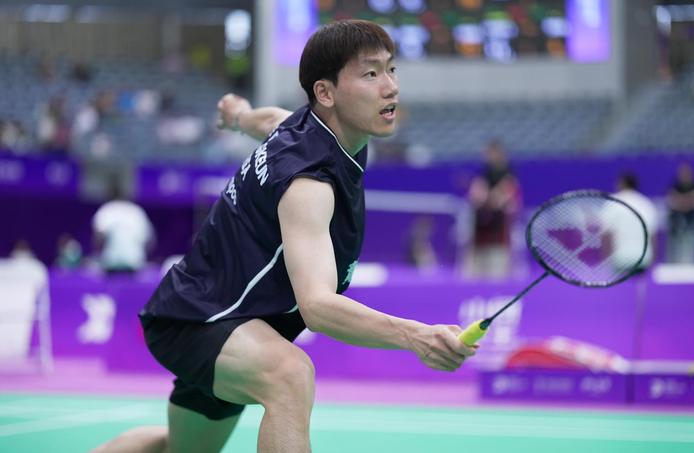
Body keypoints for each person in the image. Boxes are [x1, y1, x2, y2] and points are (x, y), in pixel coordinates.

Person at [92, 20, 476, 453]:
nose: (390, 87)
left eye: (391, 69)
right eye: (370, 74)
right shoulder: (308, 185)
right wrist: (415, 336)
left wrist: (239, 116)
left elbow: (271, 119)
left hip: (223, 316)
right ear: (325, 93)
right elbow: (318, 307)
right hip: (202, 321)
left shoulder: (310, 127)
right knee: (289, 376)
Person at [464, 140, 521, 280]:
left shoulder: (509, 175)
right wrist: (480, 196)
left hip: (499, 238)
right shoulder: (482, 173)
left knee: (497, 278)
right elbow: (474, 197)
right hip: (479, 237)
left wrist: (492, 197)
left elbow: (503, 200)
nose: (486, 156)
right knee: (474, 277)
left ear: (498, 154)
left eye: (489, 153)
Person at [92, 181, 155, 274]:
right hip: (135, 263)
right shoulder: (137, 211)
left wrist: (98, 256)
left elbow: (99, 237)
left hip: (110, 263)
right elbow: (150, 241)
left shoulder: (106, 210)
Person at [611, 173, 659, 271]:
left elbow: (607, 235)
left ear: (622, 184)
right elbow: (653, 235)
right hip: (643, 260)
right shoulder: (647, 204)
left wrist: (607, 263)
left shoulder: (613, 203)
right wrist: (652, 260)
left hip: (620, 259)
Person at [666, 162, 694, 264]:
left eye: (686, 173)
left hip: (691, 223)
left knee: (690, 251)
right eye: (682, 173)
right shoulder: (675, 186)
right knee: (674, 251)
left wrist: (681, 200)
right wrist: (689, 199)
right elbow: (672, 200)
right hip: (676, 225)